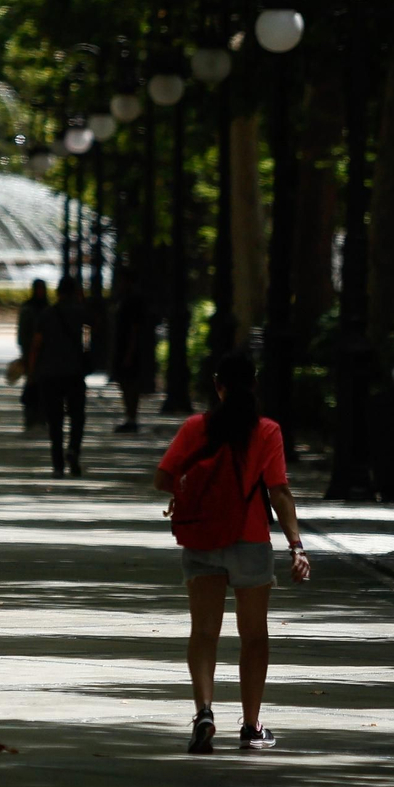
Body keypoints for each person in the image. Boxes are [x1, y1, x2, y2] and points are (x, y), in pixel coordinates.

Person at [154, 351, 310, 755]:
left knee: (204, 633)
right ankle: (252, 725)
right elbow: (278, 491)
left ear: (218, 386)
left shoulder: (195, 427)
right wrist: (296, 546)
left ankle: (204, 712)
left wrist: (183, 495)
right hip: (250, 541)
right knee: (254, 636)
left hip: (202, 540)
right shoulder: (267, 431)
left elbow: (163, 477)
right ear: (253, 385)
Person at [29, 276, 88, 477]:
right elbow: (93, 332)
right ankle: (73, 449)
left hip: (49, 373)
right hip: (74, 372)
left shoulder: (47, 314)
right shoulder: (81, 313)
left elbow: (37, 344)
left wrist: (31, 371)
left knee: (55, 420)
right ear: (74, 292)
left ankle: (58, 464)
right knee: (77, 416)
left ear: (57, 292)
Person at [110, 271, 148, 433]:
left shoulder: (132, 301)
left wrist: (129, 353)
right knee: (126, 384)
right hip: (125, 348)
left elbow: (134, 328)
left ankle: (132, 417)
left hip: (128, 349)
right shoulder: (126, 300)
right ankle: (130, 416)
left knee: (130, 384)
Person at [16, 279, 49, 429]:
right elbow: (23, 334)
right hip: (32, 351)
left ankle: (40, 416)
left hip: (44, 353)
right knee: (32, 382)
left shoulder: (46, 308)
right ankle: (32, 416)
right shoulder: (31, 308)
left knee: (41, 385)